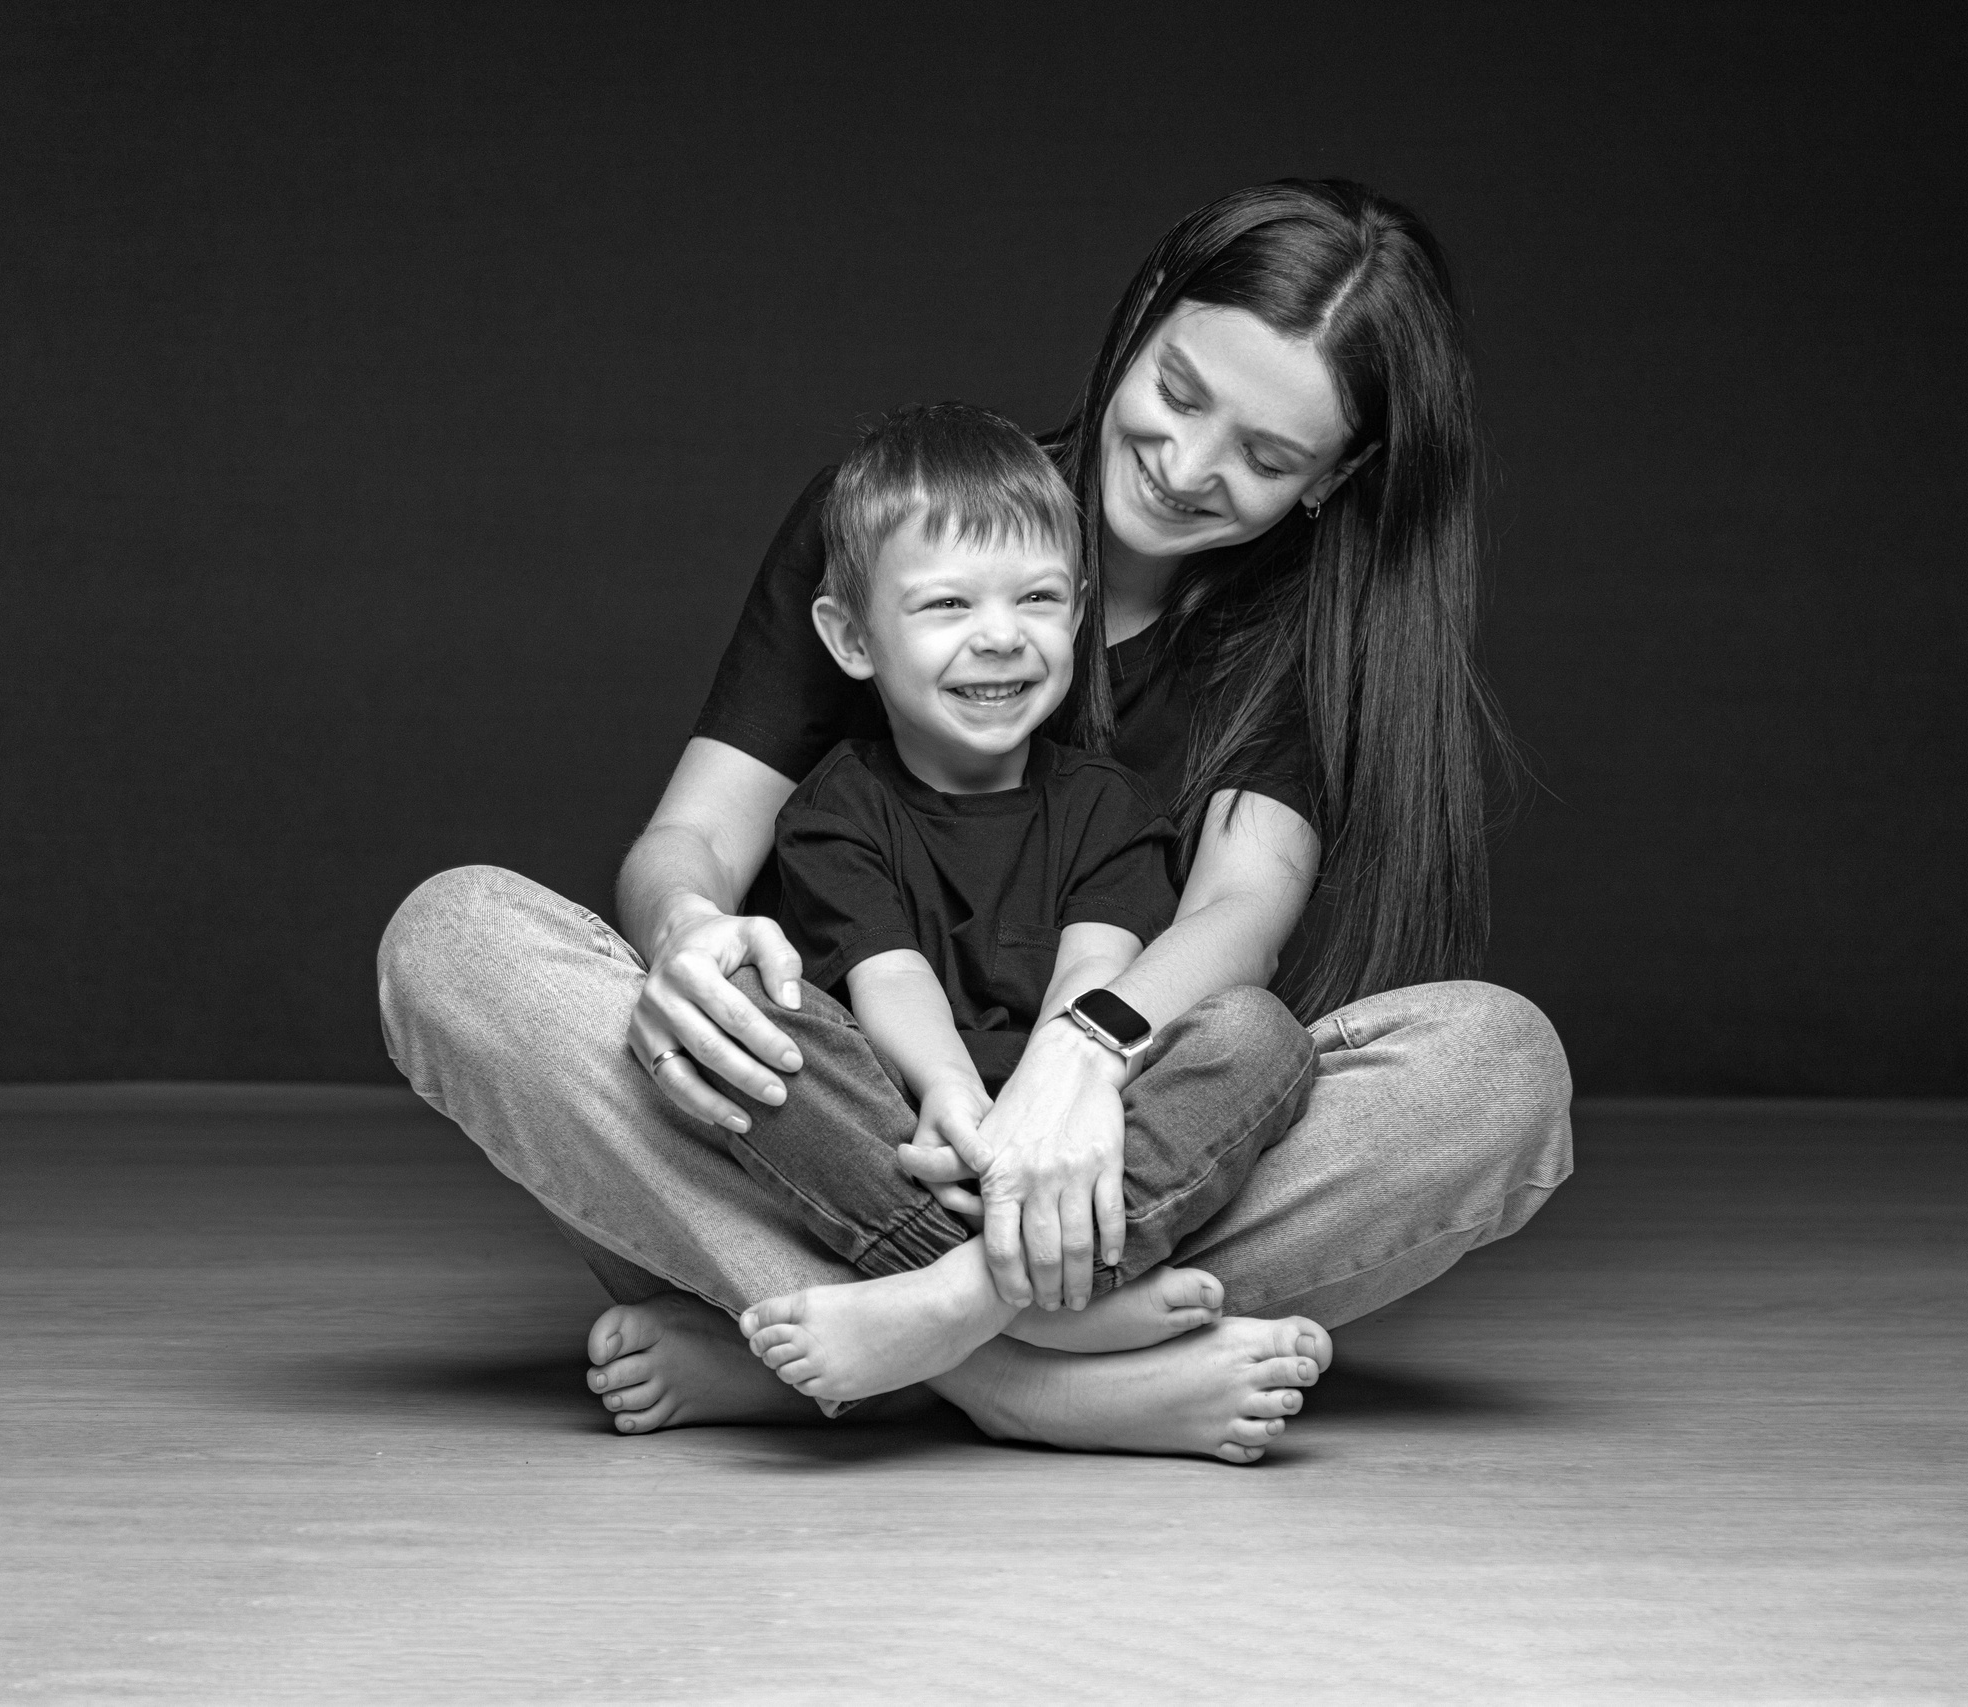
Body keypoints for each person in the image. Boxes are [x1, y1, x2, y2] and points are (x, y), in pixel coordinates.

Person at [378, 177, 1574, 1465]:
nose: (1185, 467)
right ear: (1145, 318)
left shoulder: (1303, 645)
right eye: (1176, 395)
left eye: (1265, 457)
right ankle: (1021, 1374)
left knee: (1493, 1067)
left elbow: (1242, 913)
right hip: (831, 1131)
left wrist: (1084, 1056)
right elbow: (697, 842)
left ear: (1334, 479)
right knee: (457, 938)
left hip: (1119, 1148)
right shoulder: (900, 509)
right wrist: (682, 941)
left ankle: (884, 1342)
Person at [711, 401, 1317, 1410]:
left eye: (1035, 598)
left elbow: (1096, 969)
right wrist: (952, 1093)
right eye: (948, 607)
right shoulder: (832, 807)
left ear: (1078, 612)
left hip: (1083, 1125)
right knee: (741, 1015)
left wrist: (1042, 1118)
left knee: (1257, 1036)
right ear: (851, 638)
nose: (1000, 638)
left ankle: (965, 1300)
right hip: (910, 1128)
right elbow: (885, 971)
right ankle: (1054, 1318)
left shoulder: (1106, 800)